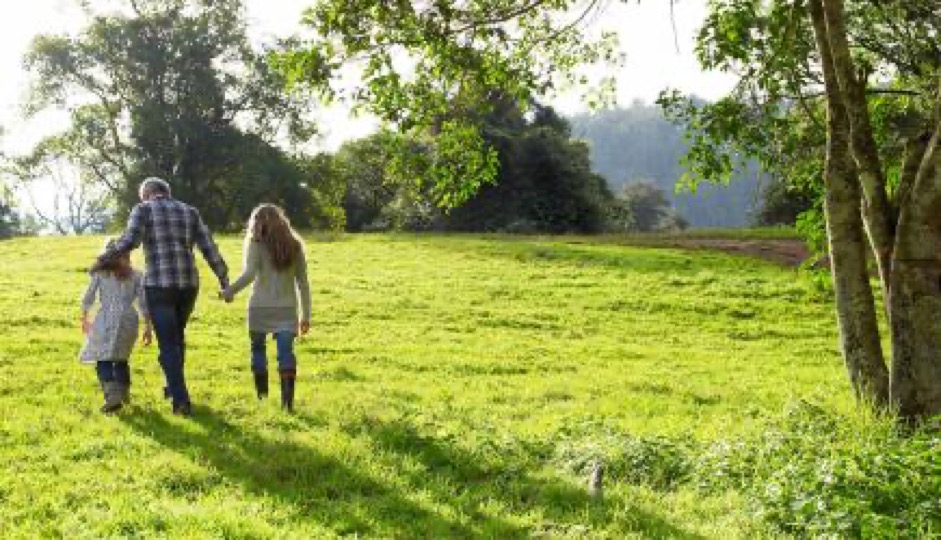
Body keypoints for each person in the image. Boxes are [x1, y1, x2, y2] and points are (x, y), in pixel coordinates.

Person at [94, 177, 228, 416]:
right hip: (188, 284)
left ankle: (181, 399)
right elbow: (209, 247)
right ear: (167, 192)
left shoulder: (143, 209)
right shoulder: (190, 211)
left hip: (159, 285)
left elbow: (130, 241)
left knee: (168, 342)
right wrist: (223, 278)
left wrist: (104, 260)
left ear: (146, 194)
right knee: (176, 338)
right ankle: (171, 386)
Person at [222, 204, 311, 412]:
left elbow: (249, 275)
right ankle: (287, 405)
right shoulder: (295, 245)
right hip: (287, 309)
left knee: (258, 350)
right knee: (286, 353)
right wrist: (306, 315)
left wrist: (230, 291)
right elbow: (303, 283)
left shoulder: (255, 243)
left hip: (259, 307)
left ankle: (262, 399)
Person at [80, 239, 153, 413]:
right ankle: (124, 395)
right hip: (129, 320)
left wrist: (84, 316)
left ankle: (112, 396)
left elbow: (89, 296)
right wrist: (148, 326)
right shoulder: (137, 275)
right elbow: (144, 303)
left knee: (102, 358)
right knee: (121, 359)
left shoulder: (100, 274)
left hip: (105, 318)